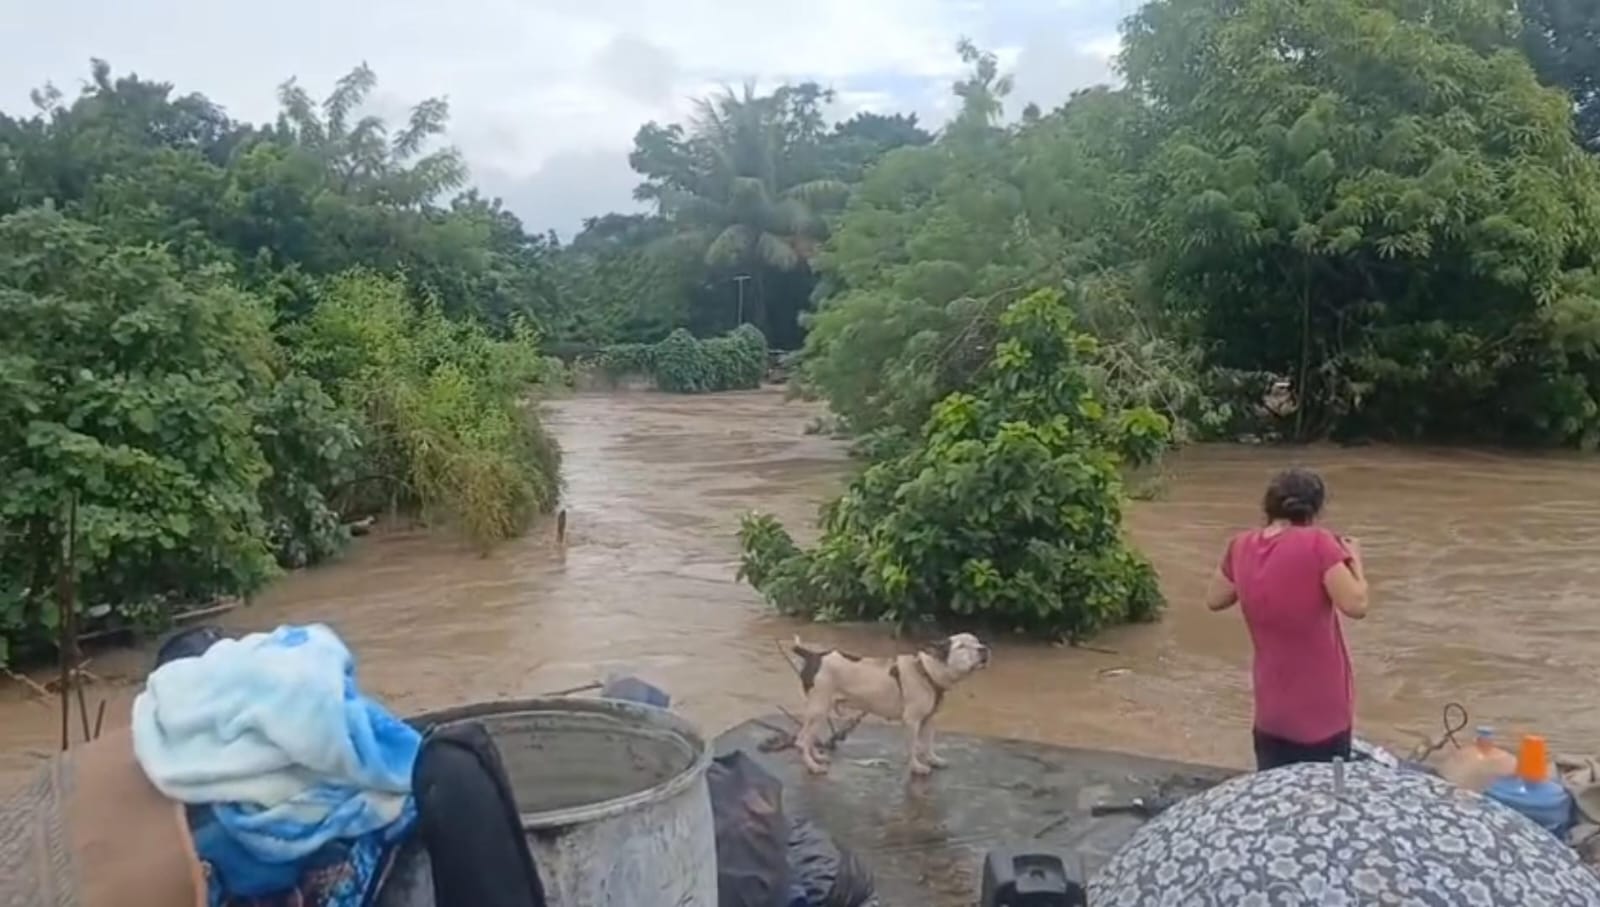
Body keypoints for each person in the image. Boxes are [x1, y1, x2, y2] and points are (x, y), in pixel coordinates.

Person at [1203, 467, 1369, 771]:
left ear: (1269, 505)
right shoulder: (1319, 543)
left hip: (1271, 713)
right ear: (1314, 509)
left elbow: (1215, 599)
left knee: (1276, 799)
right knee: (1322, 803)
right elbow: (1356, 604)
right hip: (1323, 714)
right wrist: (1355, 560)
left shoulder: (1240, 545)